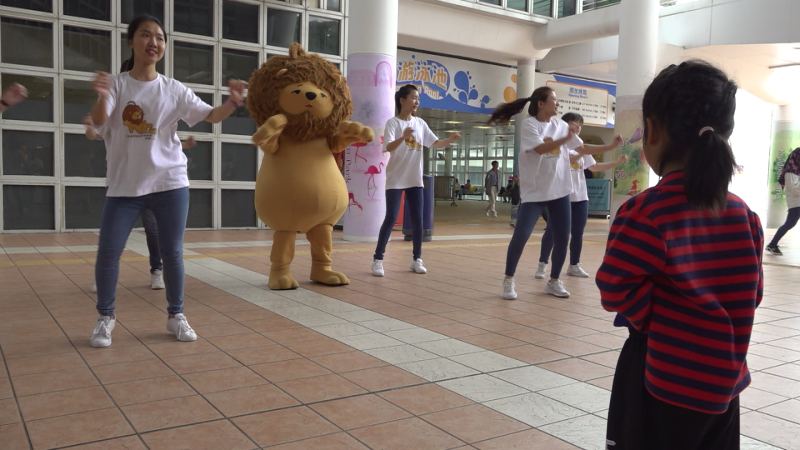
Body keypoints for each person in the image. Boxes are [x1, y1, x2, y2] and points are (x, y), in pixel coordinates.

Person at [597, 60, 763, 450]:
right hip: (724, 383)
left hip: (661, 380)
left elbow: (614, 287)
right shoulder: (745, 216)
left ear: (652, 131)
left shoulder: (646, 212)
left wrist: (660, 315)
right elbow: (752, 294)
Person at [88, 15, 246, 348]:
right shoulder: (116, 84)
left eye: (160, 37)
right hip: (124, 188)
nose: (154, 42)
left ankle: (177, 316)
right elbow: (101, 122)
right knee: (108, 252)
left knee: (172, 252)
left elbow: (210, 116)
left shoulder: (172, 89)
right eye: (146, 35)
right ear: (132, 41)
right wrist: (102, 94)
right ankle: (105, 317)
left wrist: (232, 103)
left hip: (169, 182)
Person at [84, 116, 197, 292]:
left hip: (154, 187)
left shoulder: (151, 123)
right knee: (113, 236)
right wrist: (89, 126)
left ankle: (156, 271)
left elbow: (164, 147)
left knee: (153, 230)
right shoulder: (114, 118)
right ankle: (103, 278)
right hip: (124, 188)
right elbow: (94, 134)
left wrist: (187, 145)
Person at [489, 86, 580, 299]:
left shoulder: (561, 125)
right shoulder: (530, 125)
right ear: (541, 103)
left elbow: (579, 147)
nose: (558, 103)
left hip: (559, 191)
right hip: (535, 193)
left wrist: (610, 145)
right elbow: (540, 149)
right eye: (554, 100)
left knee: (562, 237)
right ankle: (508, 280)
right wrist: (565, 139)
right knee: (521, 235)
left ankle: (554, 281)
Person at [371, 84, 460, 277]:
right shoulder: (392, 123)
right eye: (413, 98)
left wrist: (450, 140)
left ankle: (417, 259)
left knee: (418, 221)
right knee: (391, 218)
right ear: (402, 100)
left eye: (418, 99)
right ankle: (378, 259)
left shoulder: (420, 123)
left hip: (415, 179)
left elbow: (435, 143)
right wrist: (403, 137)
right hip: (395, 178)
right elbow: (388, 147)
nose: (416, 102)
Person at [537, 112, 625, 279]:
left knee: (578, 232)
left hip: (581, 197)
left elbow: (595, 167)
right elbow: (560, 162)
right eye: (574, 123)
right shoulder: (557, 145)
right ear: (564, 126)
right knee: (553, 231)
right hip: (561, 196)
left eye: (580, 125)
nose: (578, 127)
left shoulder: (582, 148)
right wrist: (581, 152)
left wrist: (617, 163)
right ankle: (542, 264)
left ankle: (574, 265)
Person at [766, 147, 800, 255]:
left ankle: (772, 244)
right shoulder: (790, 172)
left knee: (790, 223)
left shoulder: (796, 170)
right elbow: (793, 189)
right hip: (796, 202)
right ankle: (772, 245)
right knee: (790, 223)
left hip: (797, 201)